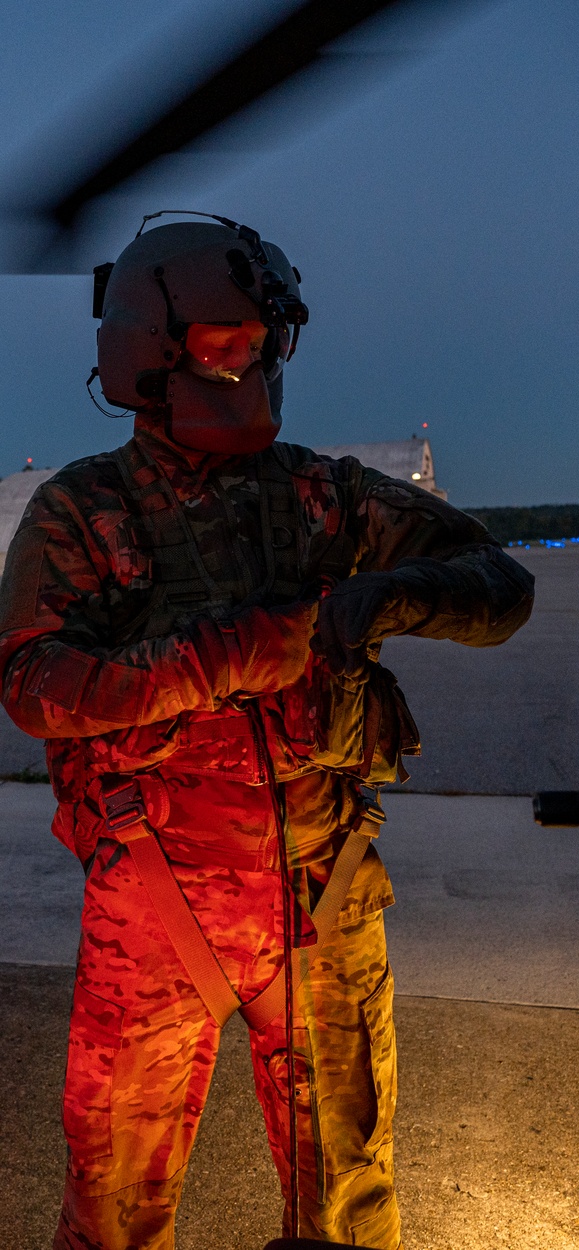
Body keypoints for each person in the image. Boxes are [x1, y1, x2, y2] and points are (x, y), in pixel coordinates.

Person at [0, 214, 533, 1249]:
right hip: (155, 912)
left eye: (263, 340)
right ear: (151, 349)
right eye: (221, 341)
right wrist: (224, 654)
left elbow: (499, 586)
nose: (248, 360)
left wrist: (383, 597)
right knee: (111, 1210)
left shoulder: (319, 495)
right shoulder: (82, 509)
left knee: (350, 1203)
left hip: (323, 903)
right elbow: (32, 681)